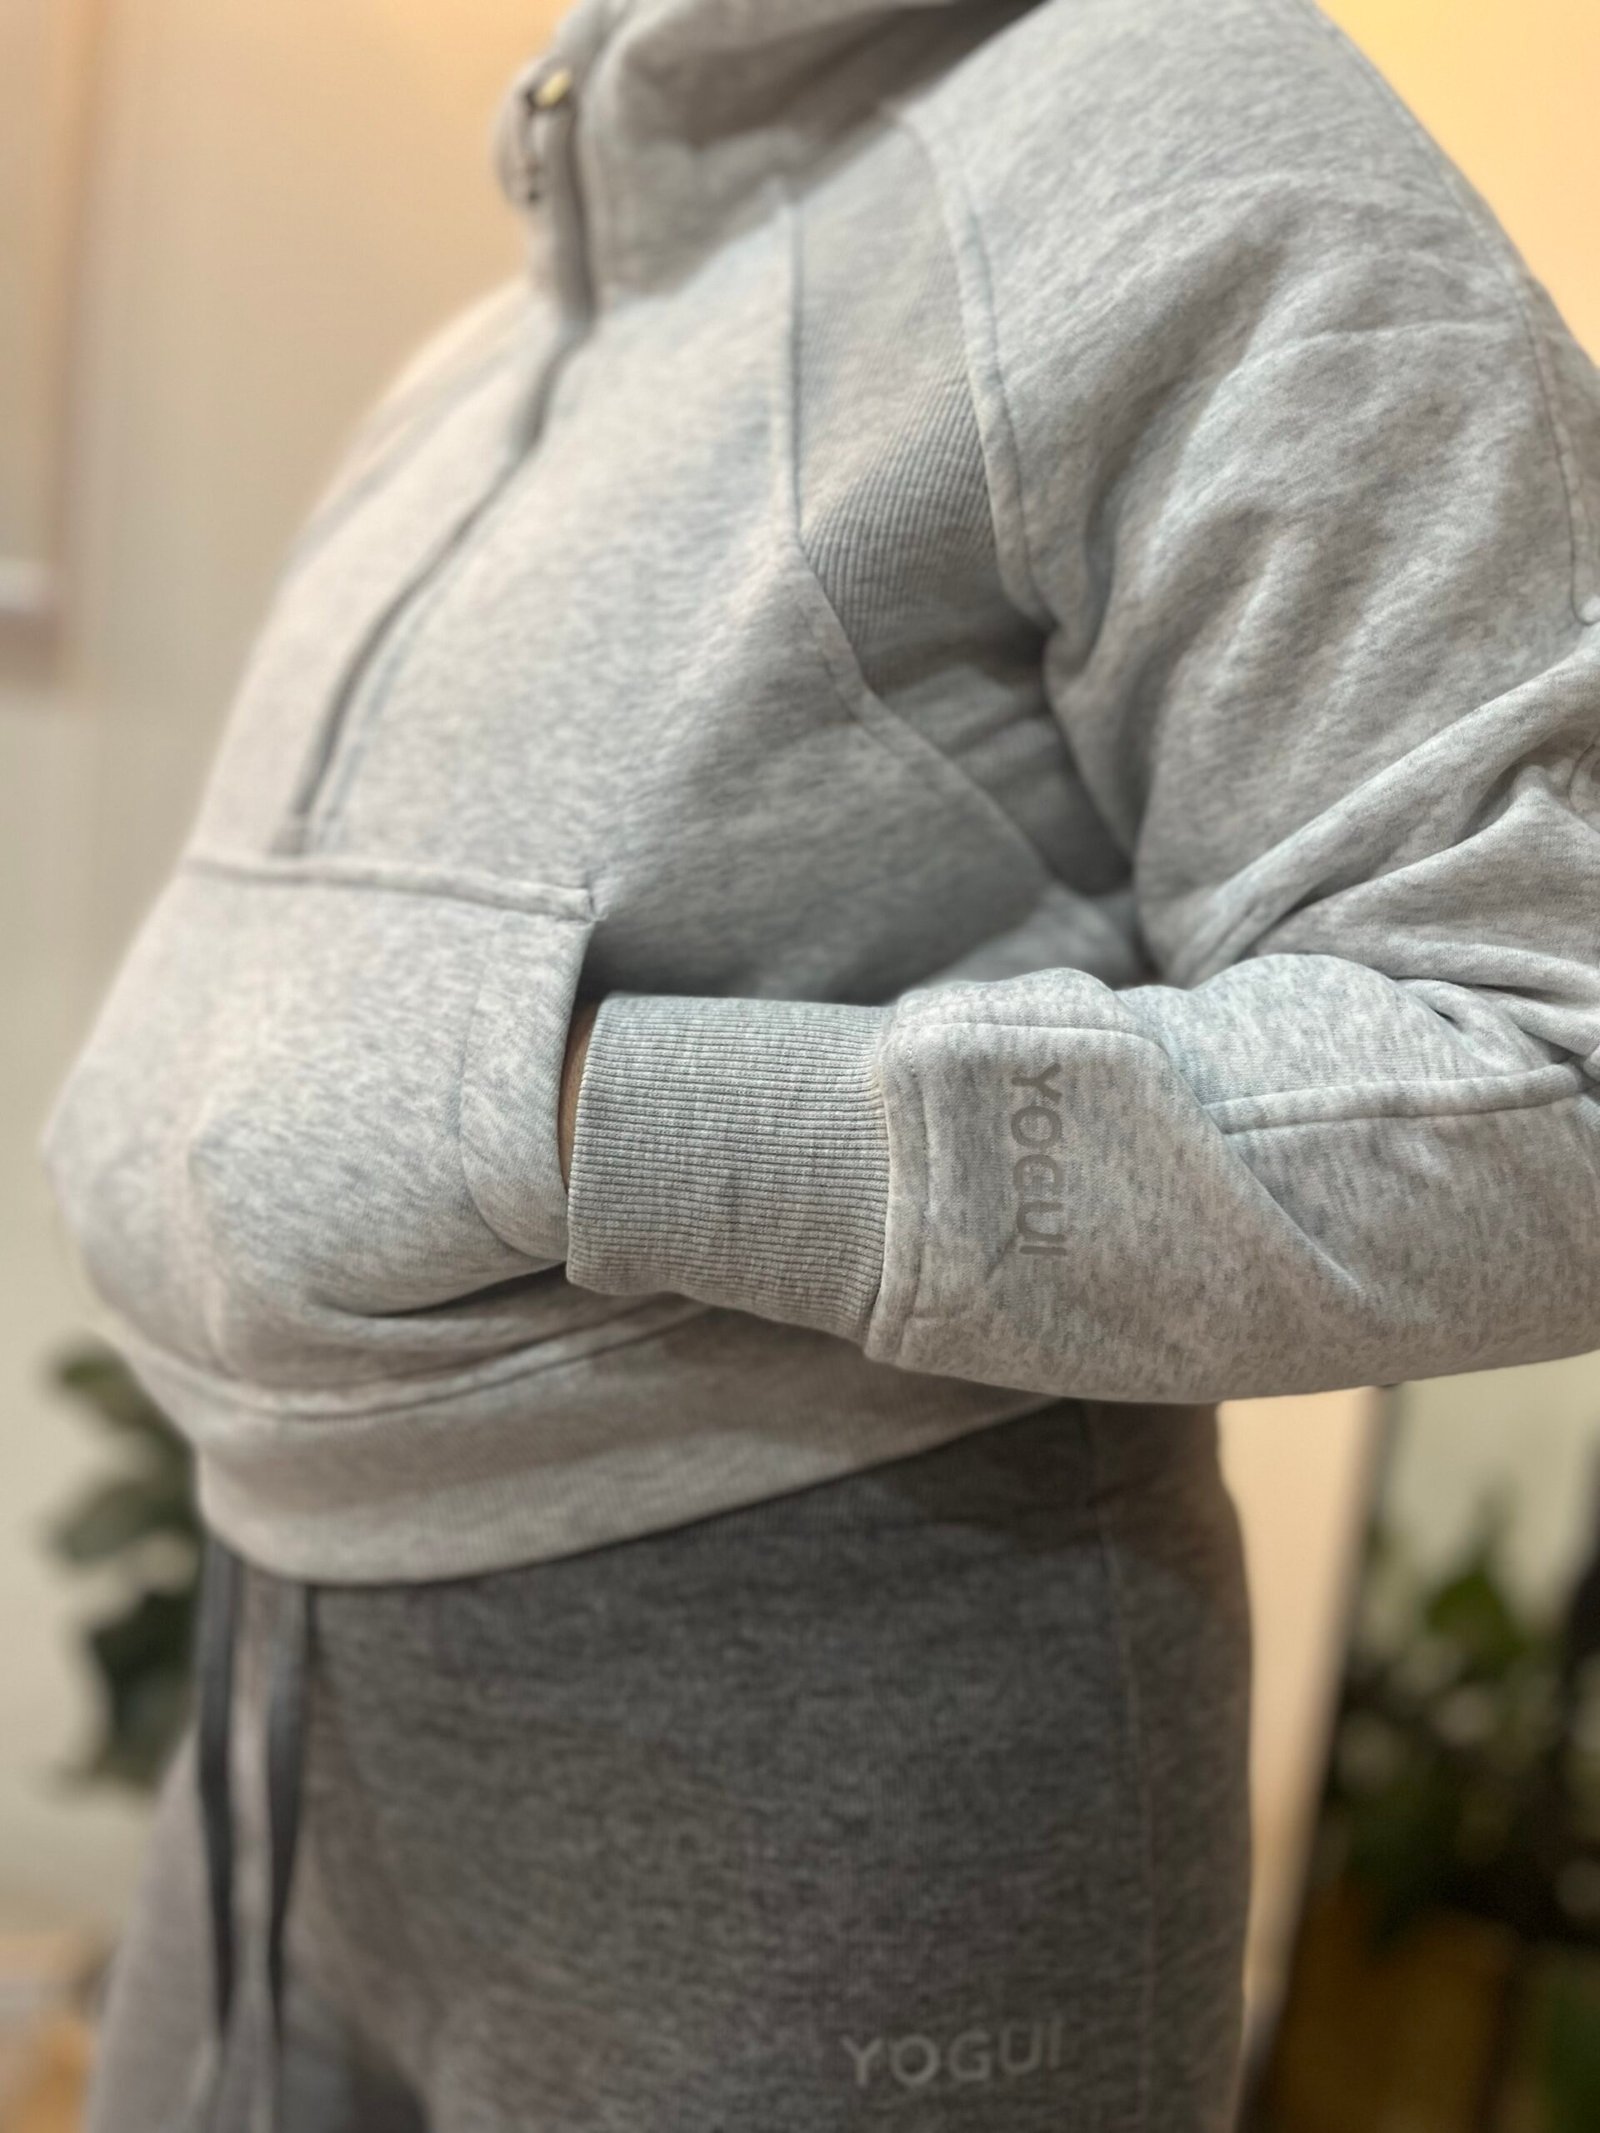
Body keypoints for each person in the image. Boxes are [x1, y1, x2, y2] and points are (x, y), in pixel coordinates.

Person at [39, 0, 1600, 2126]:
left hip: (827, 1744)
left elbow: (1551, 1056)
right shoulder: (518, 320)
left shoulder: (1175, 117)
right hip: (290, 1686)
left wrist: (587, 1131)